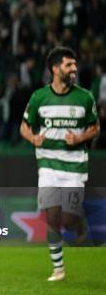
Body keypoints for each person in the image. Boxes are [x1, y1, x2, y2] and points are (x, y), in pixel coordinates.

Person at [20, 46, 99, 282]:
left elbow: (95, 127)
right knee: (52, 218)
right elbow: (24, 126)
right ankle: (58, 269)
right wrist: (33, 138)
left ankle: (78, 222)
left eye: (75, 65)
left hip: (74, 166)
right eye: (68, 65)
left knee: (68, 220)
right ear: (55, 69)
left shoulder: (84, 97)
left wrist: (80, 138)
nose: (74, 69)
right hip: (48, 165)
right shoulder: (39, 97)